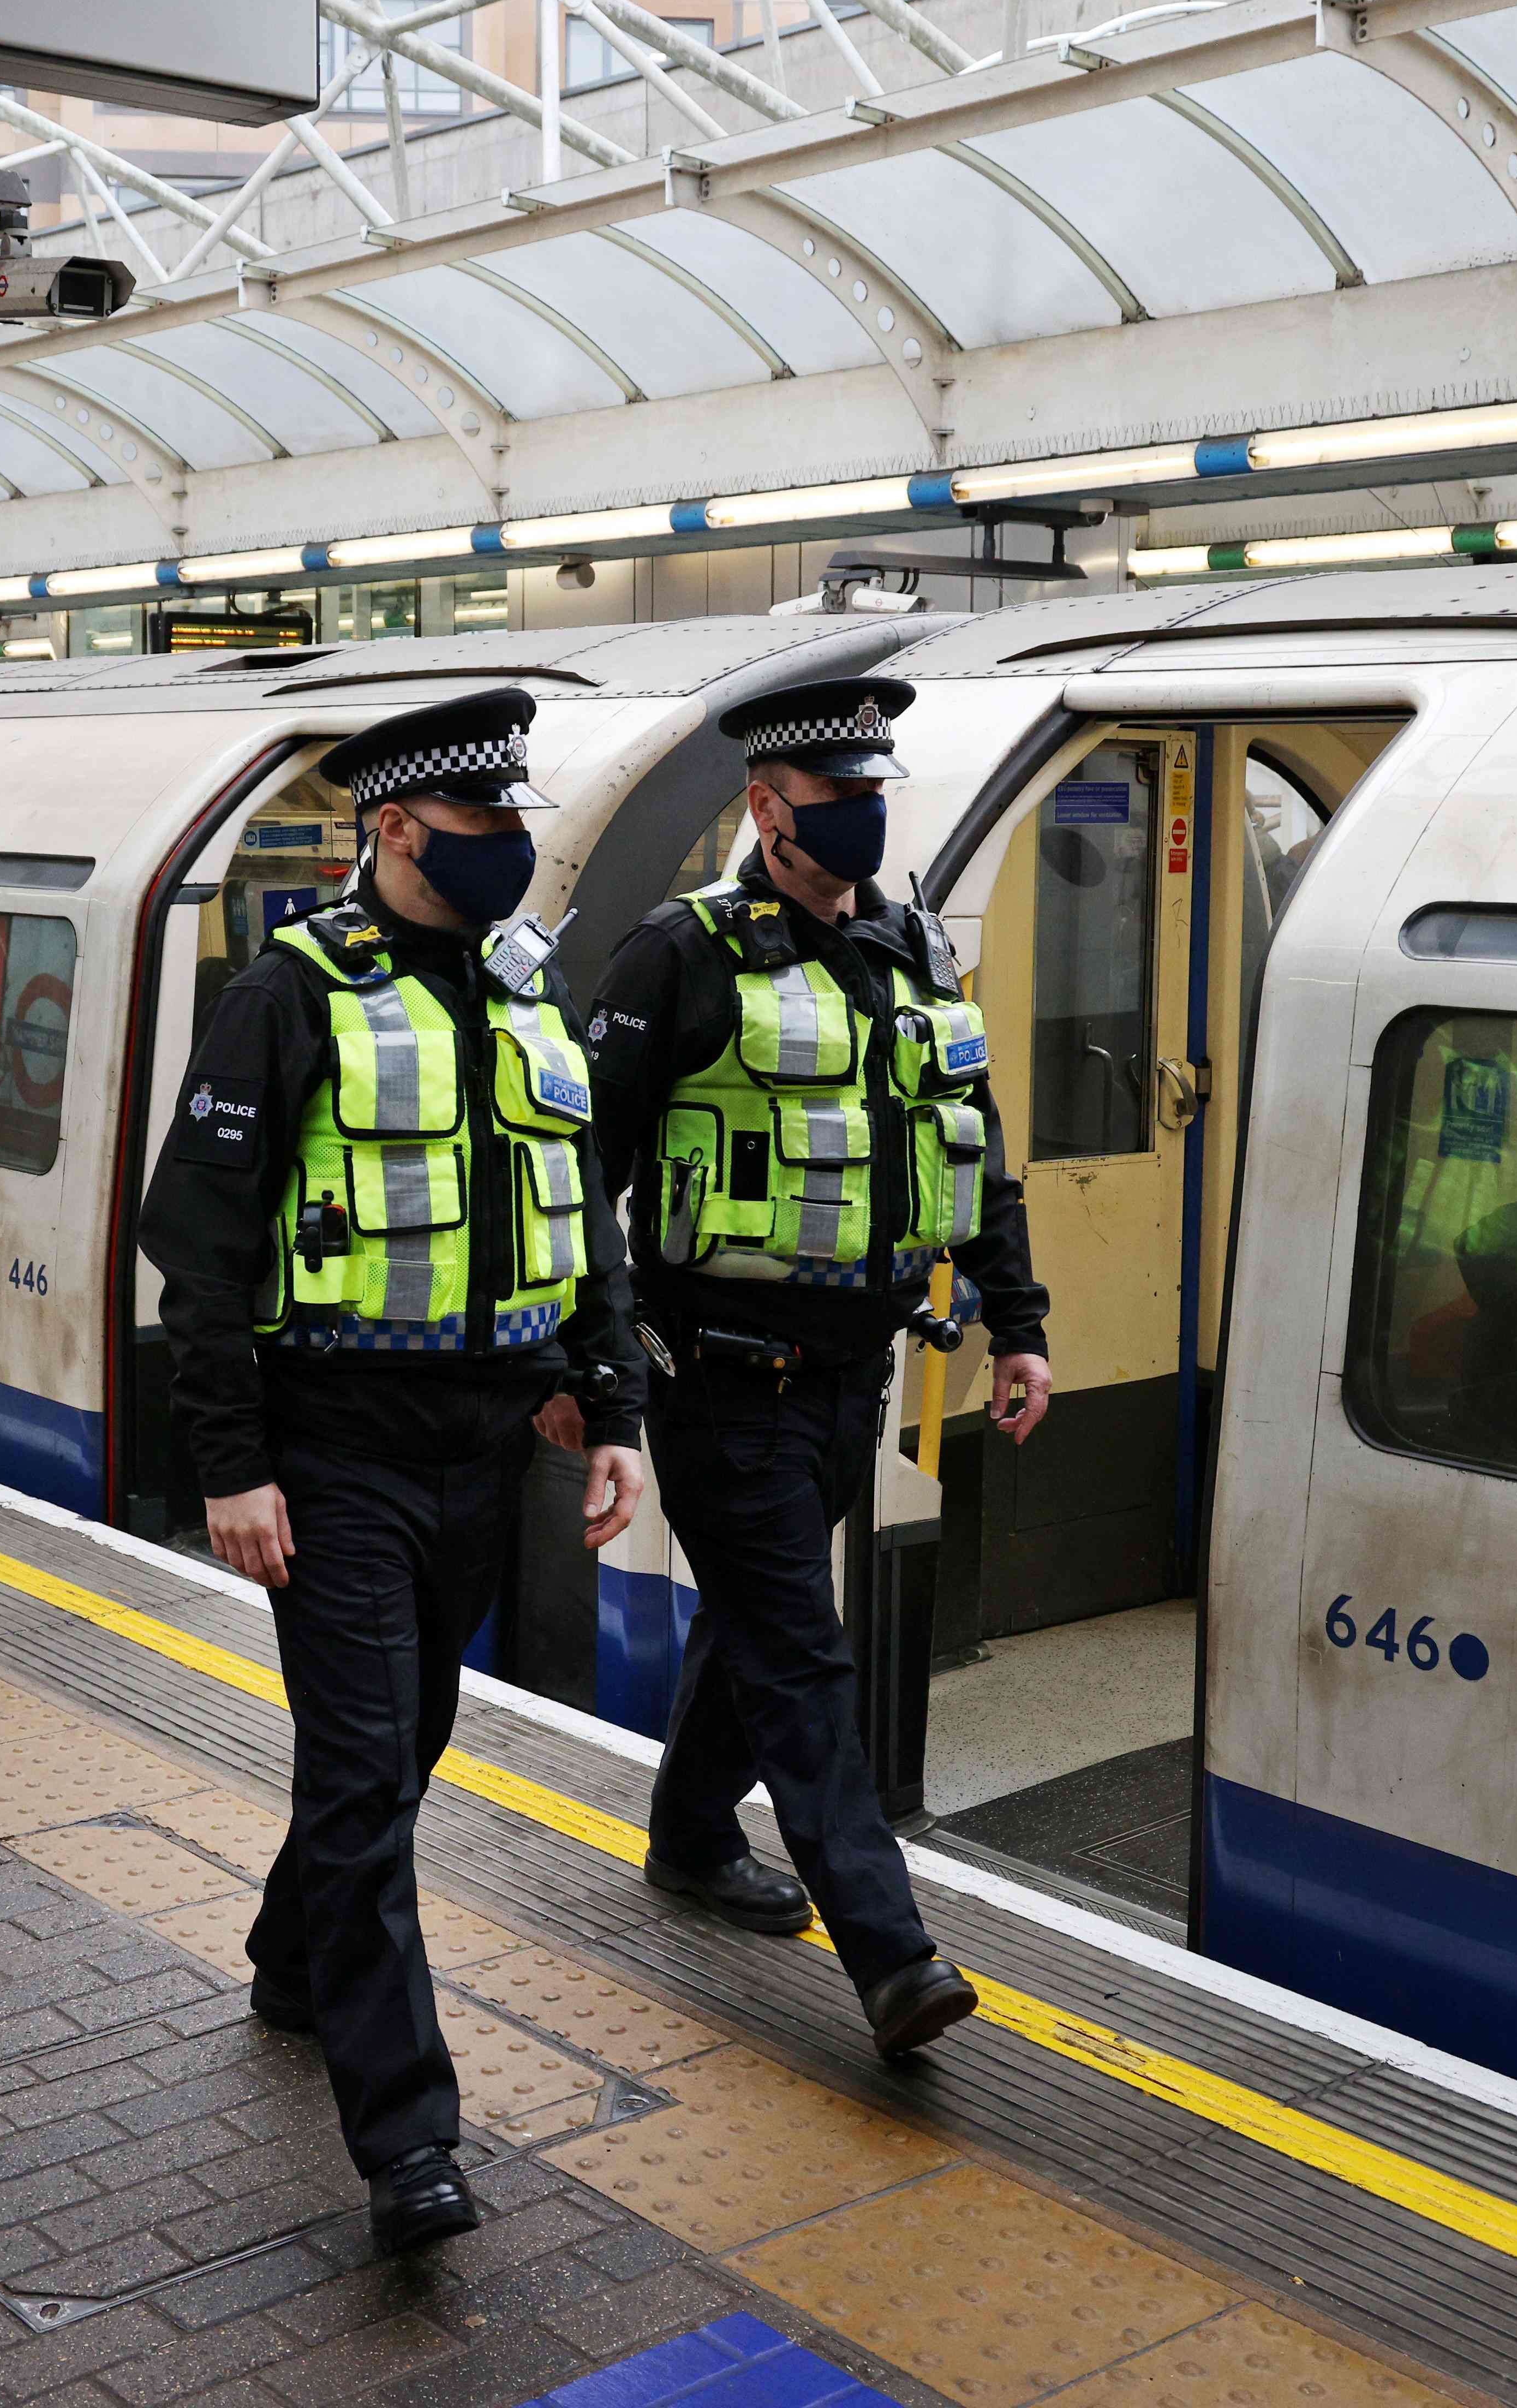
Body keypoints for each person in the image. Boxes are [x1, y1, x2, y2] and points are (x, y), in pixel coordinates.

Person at [137, 687, 651, 2255]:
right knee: (362, 1775)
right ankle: (407, 2141)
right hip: (337, 1449)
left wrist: (606, 1401)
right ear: (394, 829)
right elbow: (199, 1250)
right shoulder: (287, 996)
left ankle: (295, 1962)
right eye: (480, 823)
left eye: (514, 821)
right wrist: (230, 1467)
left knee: (409, 1739)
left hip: (483, 1449)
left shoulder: (521, 989)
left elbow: (573, 1210)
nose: (507, 846)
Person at [584, 676, 1049, 2064]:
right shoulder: (677, 958)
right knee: (802, 1647)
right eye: (835, 798)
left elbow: (974, 1153)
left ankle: (683, 1836)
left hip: (856, 1376)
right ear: (766, 808)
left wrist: (1014, 1321)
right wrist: (597, 1364)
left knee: (758, 1613)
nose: (861, 815)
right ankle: (891, 1949)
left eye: (872, 792)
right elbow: (580, 1178)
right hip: (722, 1373)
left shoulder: (910, 951)